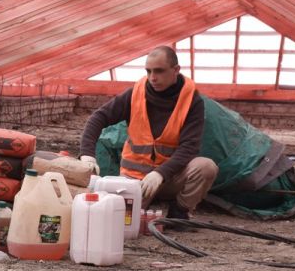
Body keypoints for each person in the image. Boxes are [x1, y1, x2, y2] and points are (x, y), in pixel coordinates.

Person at [78, 45, 218, 219]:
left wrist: (160, 173)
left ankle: (179, 213)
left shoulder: (191, 101)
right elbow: (98, 118)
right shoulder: (135, 94)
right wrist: (87, 154)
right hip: (134, 179)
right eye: (149, 71)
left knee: (206, 167)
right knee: (121, 218)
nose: (153, 78)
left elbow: (189, 147)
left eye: (159, 71)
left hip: (170, 178)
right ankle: (145, 203)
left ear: (176, 70)